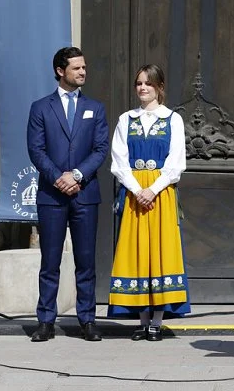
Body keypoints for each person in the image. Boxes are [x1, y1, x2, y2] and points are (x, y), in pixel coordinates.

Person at [27, 46, 109, 342]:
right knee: (50, 261)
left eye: (84, 67)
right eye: (76, 68)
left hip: (85, 194)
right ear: (61, 71)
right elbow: (36, 150)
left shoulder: (96, 108)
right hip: (52, 195)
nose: (83, 72)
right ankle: (45, 320)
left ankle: (87, 319)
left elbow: (101, 149)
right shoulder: (40, 108)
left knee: (85, 261)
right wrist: (58, 178)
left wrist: (76, 175)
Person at [108, 64, 190, 341]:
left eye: (148, 84)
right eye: (139, 84)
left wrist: (152, 190)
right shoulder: (125, 120)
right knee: (137, 252)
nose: (143, 88)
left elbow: (176, 162)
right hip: (133, 195)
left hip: (161, 193)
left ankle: (157, 321)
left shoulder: (172, 119)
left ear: (159, 87)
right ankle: (141, 321)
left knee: (160, 251)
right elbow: (119, 161)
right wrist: (136, 189)